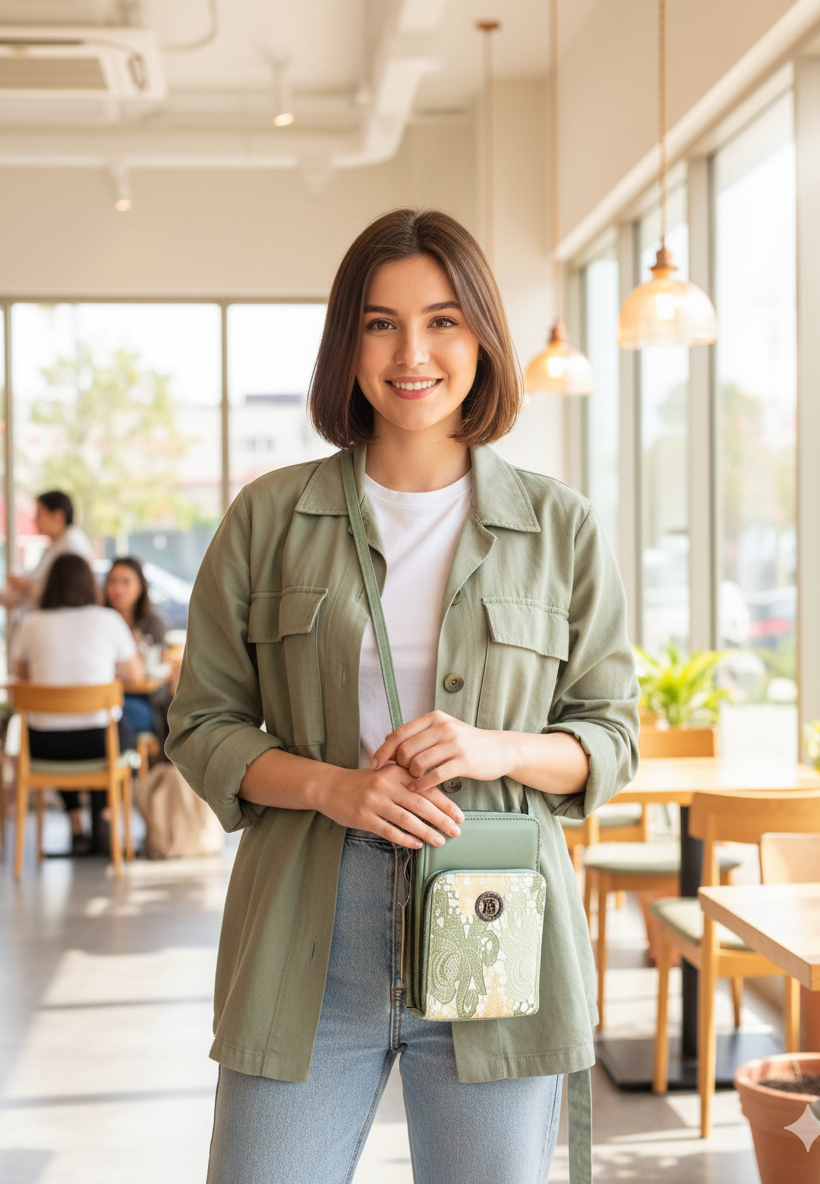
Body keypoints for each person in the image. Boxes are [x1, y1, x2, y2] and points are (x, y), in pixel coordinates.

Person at [166, 208, 639, 1184]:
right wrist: (333, 787)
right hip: (308, 926)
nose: (412, 351)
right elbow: (202, 721)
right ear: (348, 342)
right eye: (380, 323)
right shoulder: (268, 516)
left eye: (443, 320)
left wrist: (497, 747)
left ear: (483, 339)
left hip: (494, 918)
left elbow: (612, 733)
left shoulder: (560, 525)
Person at [12, 552, 144, 856]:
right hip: (98, 742)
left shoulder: (30, 624)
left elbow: (23, 679)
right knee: (117, 727)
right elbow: (135, 677)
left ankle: (76, 826)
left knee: (61, 728)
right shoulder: (108, 620)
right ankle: (104, 816)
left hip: (44, 746)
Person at [104, 557, 171, 738]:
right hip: (104, 697)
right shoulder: (100, 620)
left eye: (126, 582)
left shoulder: (154, 623)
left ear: (140, 586)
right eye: (112, 581)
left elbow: (157, 668)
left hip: (143, 699)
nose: (117, 588)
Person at [0, 491, 93, 614]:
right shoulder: (56, 544)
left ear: (58, 516)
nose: (35, 520)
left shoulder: (72, 548)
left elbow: (65, 595)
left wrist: (25, 585)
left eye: (39, 513)